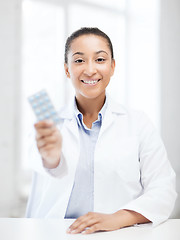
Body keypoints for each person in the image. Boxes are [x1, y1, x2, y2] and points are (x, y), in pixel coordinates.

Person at [26, 27, 177, 234]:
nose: (90, 70)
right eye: (79, 60)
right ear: (67, 69)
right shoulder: (48, 124)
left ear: (112, 66)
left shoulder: (138, 123)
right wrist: (51, 159)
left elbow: (164, 191)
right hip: (56, 233)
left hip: (119, 234)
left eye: (100, 59)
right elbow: (41, 166)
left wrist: (118, 219)